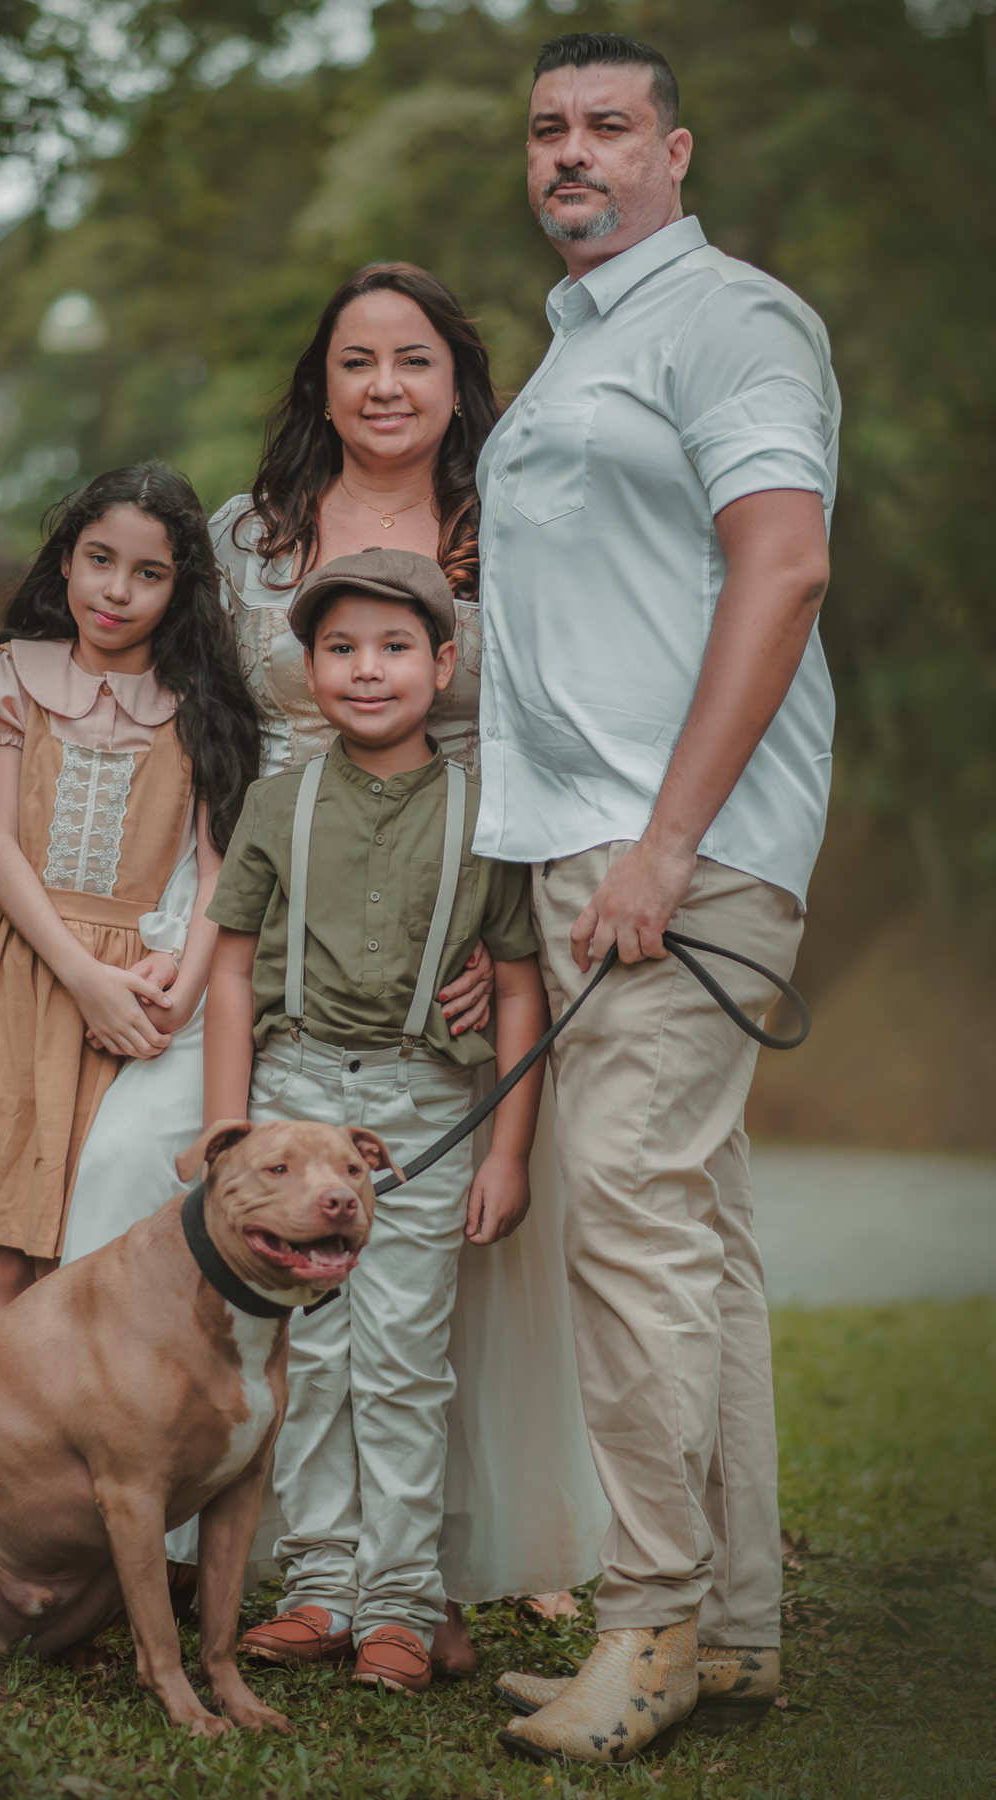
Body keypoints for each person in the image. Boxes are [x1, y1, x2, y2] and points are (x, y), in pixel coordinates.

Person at [61, 262, 609, 1634]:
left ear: (457, 381)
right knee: (141, 1150)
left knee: (440, 1242)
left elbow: (553, 728)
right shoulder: (252, 533)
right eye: (356, 361)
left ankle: (428, 1562)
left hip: (453, 898)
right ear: (321, 381)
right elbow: (192, 718)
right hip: (264, 893)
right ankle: (163, 1508)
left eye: (414, 360)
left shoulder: (513, 527)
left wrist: (499, 925)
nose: (383, 387)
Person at [483, 33, 839, 1765]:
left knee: (623, 1211)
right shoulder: (572, 350)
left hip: (678, 853)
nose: (573, 153)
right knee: (695, 1230)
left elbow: (784, 566)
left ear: (676, 152)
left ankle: (651, 1624)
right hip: (593, 848)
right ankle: (739, 1629)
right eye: (548, 130)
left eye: (608, 127)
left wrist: (667, 838)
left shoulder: (733, 321)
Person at [203, 548, 550, 1693]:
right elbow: (234, 969)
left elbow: (513, 986)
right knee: (310, 1349)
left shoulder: (486, 815)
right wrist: (227, 1137)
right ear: (309, 668)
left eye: (396, 647)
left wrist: (507, 1146)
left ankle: (402, 1601)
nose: (367, 669)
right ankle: (317, 1587)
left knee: (404, 1358)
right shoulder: (277, 804)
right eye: (341, 649)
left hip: (424, 1106)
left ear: (445, 664)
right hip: (293, 1099)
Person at [0, 464, 259, 1334]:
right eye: (99, 560)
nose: (116, 591)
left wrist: (178, 1001)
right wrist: (84, 977)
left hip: (135, 996)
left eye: (148, 573)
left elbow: (217, 873)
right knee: (2, 1242)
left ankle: (70, 1449)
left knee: (83, 1238)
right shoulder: (17, 674)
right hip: (19, 970)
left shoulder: (199, 708)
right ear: (65, 563)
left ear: (180, 587)